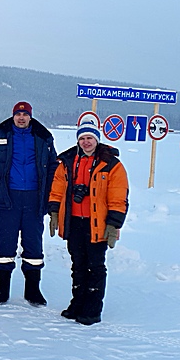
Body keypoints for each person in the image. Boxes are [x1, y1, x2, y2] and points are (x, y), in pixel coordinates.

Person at [48, 121, 129, 325]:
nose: (86, 142)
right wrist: (54, 212)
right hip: (74, 222)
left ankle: (92, 309)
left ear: (97, 140)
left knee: (96, 266)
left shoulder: (111, 164)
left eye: (89, 138)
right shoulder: (67, 162)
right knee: (78, 265)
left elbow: (118, 196)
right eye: (82, 138)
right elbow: (57, 188)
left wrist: (114, 223)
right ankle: (77, 303)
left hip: (97, 224)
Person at [0, 101, 58, 306]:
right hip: (9, 198)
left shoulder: (44, 137)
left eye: (25, 115)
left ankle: (33, 290)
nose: (21, 118)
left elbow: (53, 166)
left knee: (33, 244)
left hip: (34, 198)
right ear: (13, 116)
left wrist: (47, 192)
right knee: (5, 243)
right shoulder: (0, 135)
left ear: (30, 117)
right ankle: (2, 289)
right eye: (18, 114)